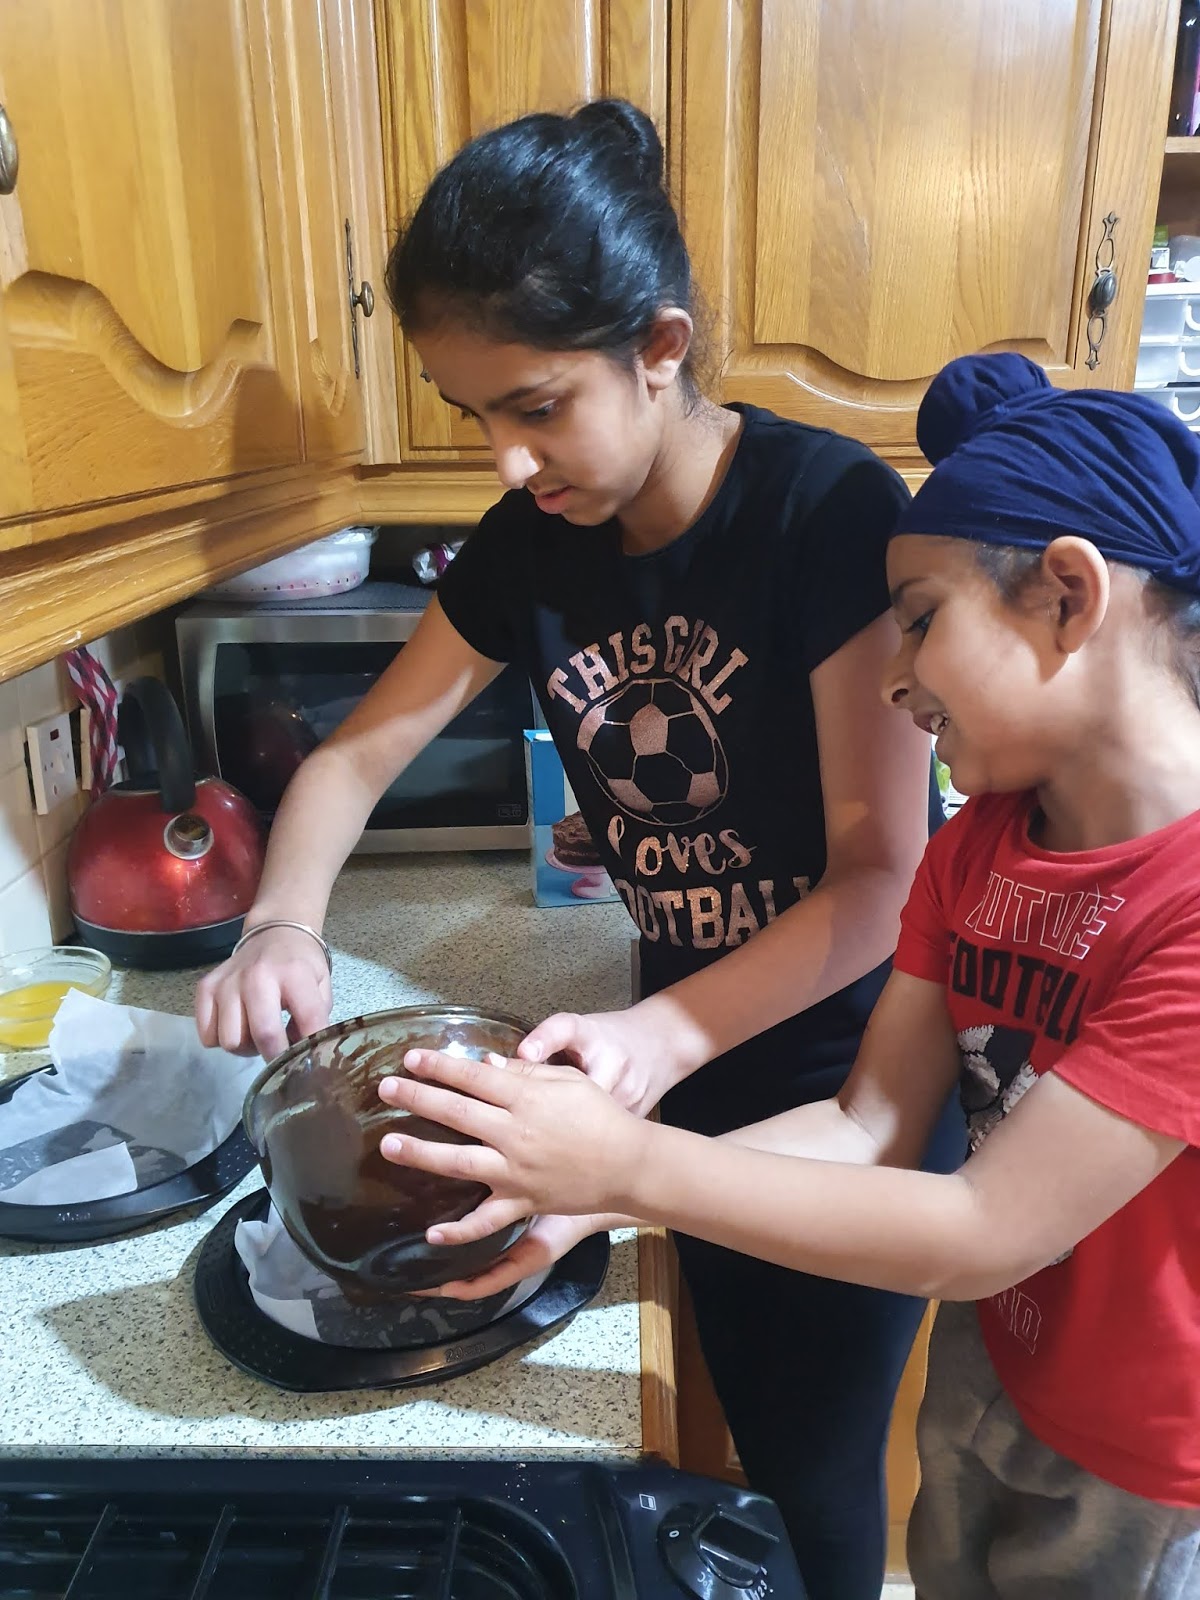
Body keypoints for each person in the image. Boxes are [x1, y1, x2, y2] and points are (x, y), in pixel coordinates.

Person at [194, 98, 962, 1600]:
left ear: (659, 346)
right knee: (721, 1441)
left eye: (535, 405)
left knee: (815, 1472)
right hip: (654, 1046)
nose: (502, 456)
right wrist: (279, 924)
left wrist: (660, 1033)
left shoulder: (822, 512)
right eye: (472, 411)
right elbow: (355, 753)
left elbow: (883, 881)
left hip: (846, 1073)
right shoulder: (531, 541)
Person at [377, 352, 1200, 1600]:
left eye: (921, 617)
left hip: (1152, 1454)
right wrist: (593, 1202)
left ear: (1068, 595)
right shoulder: (979, 846)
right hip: (1001, 1364)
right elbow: (869, 1123)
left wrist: (628, 1163)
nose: (898, 673)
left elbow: (982, 1228)